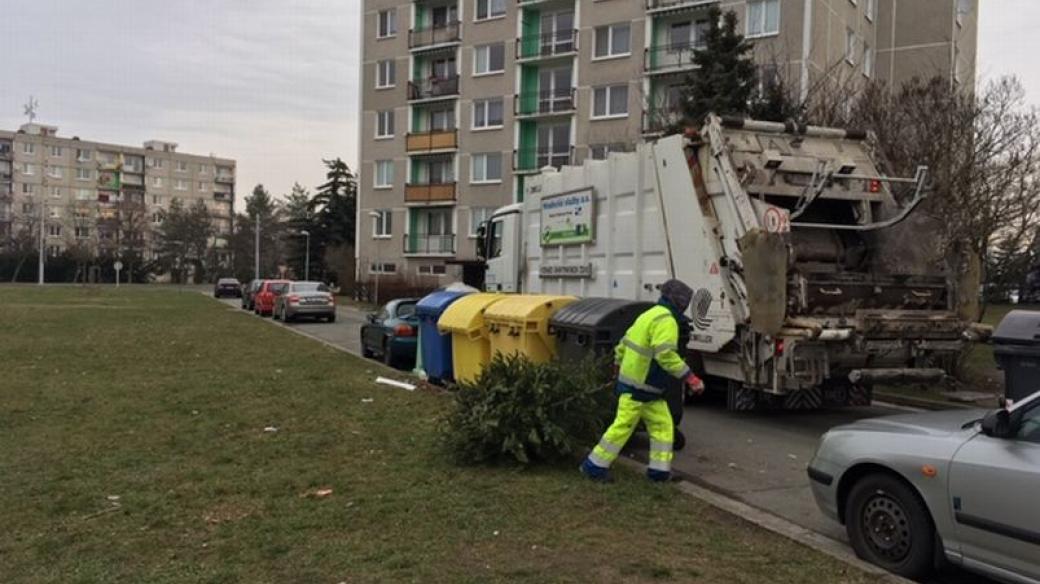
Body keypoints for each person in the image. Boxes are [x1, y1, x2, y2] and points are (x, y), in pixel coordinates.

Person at [580, 279, 705, 482]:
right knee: (622, 428)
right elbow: (665, 355)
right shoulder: (667, 321)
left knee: (663, 428)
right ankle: (593, 467)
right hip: (641, 389)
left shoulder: (647, 316)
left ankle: (659, 473)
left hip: (645, 390)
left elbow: (622, 345)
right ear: (680, 302)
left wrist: (617, 370)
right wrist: (691, 378)